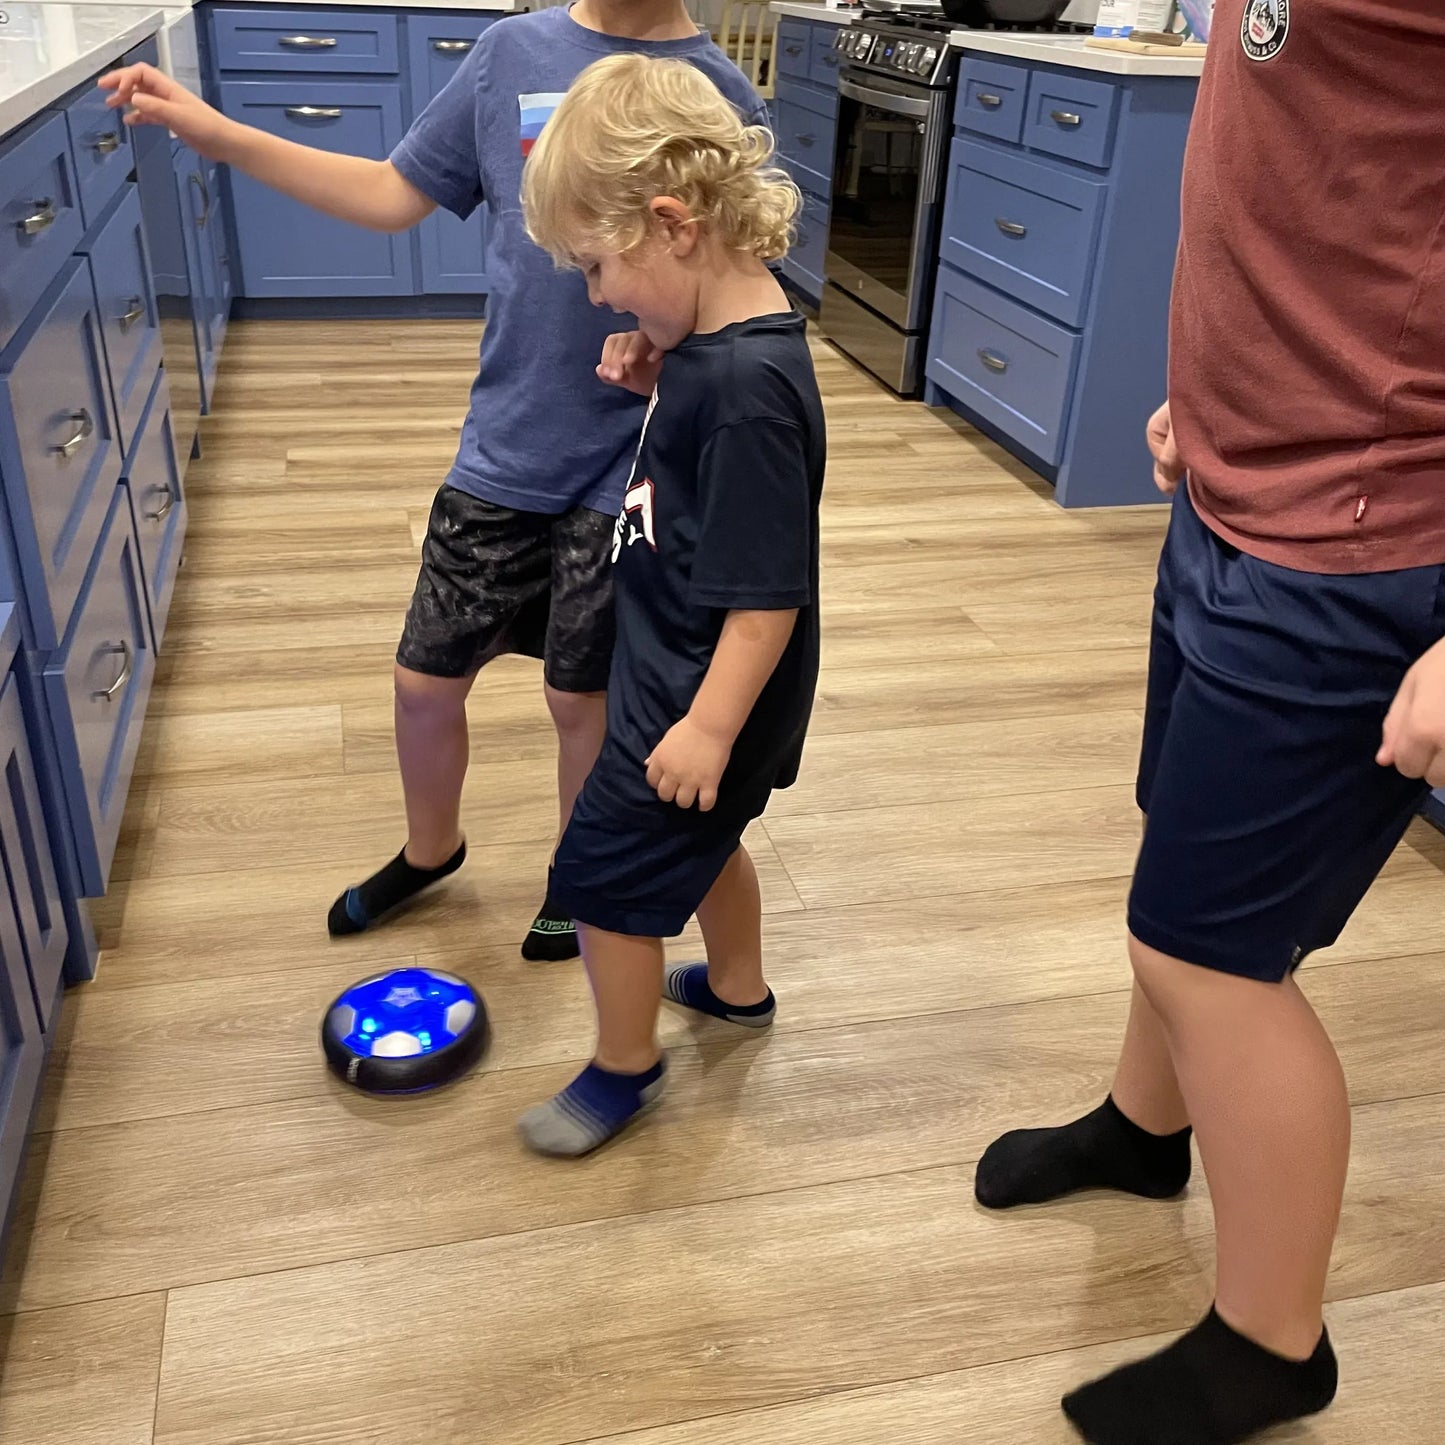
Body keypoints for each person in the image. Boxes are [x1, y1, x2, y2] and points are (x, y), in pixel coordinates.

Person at [972, 2, 1445, 1441]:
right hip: (1238, 488)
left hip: (1359, 544)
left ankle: (1270, 1339)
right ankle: (1143, 1124)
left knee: (1213, 954)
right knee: (1173, 878)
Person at [100, 2, 767, 962]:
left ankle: (571, 880)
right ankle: (431, 847)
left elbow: (741, 281)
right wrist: (216, 131)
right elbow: (388, 191)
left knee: (580, 703)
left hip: (627, 466)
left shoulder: (720, 88)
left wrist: (683, 370)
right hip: (506, 447)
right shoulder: (511, 53)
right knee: (423, 680)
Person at [512, 53, 824, 1156]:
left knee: (600, 880)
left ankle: (622, 1063)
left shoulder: (744, 394)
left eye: (598, 268)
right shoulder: (717, 347)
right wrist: (661, 384)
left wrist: (704, 725)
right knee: (709, 838)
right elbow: (712, 482)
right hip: (683, 664)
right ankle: (736, 988)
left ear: (670, 224)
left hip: (697, 687)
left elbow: (765, 594)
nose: (598, 296)